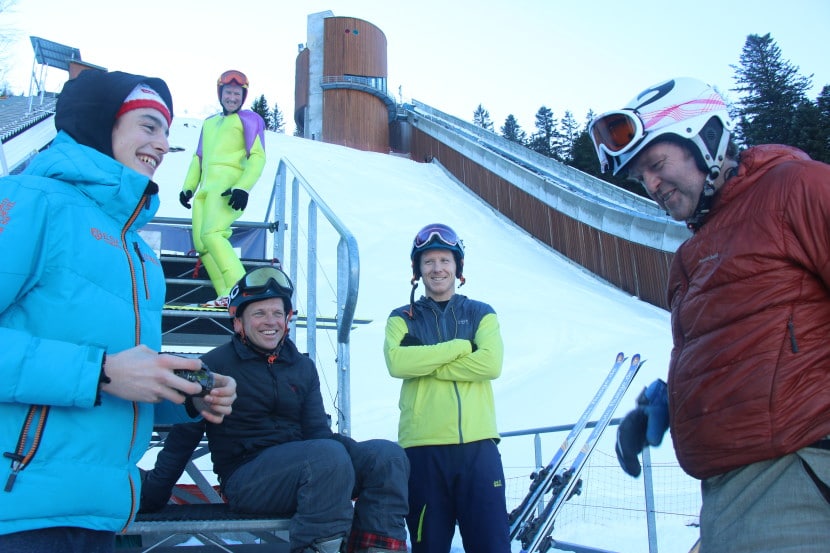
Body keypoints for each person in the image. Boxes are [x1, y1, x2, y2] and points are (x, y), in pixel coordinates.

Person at [0, 69, 237, 553]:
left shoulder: (139, 253)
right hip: (18, 509)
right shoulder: (29, 200)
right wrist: (99, 373)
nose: (163, 143)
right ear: (100, 123)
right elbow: (105, 374)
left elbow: (124, 379)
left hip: (101, 512)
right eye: (149, 126)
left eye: (167, 132)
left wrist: (183, 395)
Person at [590, 77, 830, 552]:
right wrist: (668, 405)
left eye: (657, 165)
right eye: (642, 176)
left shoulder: (796, 188)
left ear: (707, 138)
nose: (652, 185)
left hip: (795, 479)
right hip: (725, 498)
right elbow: (747, 346)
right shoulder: (694, 253)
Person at [140, 266, 410, 553]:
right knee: (325, 456)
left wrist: (362, 458)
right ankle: (319, 547)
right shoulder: (214, 367)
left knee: (387, 455)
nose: (270, 321)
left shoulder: (301, 366)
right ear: (239, 322)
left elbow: (319, 433)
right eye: (259, 313)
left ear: (287, 320)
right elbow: (183, 440)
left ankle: (378, 547)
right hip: (247, 480)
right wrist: (152, 496)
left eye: (277, 313)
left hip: (309, 468)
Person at [383, 223, 511, 553]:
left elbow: (490, 365)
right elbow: (397, 364)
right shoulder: (402, 317)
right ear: (418, 270)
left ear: (457, 267)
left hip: (478, 448)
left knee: (491, 546)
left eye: (444, 260)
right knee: (430, 547)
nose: (437, 269)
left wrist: (424, 363)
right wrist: (459, 347)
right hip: (423, 450)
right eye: (428, 262)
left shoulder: (481, 313)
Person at [178, 69, 267, 308]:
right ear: (220, 94)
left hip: (227, 188)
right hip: (204, 191)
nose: (232, 97)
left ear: (243, 96)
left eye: (237, 93)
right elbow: (198, 158)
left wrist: (242, 188)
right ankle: (225, 294)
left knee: (213, 234)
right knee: (203, 244)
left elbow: (257, 157)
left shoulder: (249, 120)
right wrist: (188, 187)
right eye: (228, 92)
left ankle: (243, 290)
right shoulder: (209, 124)